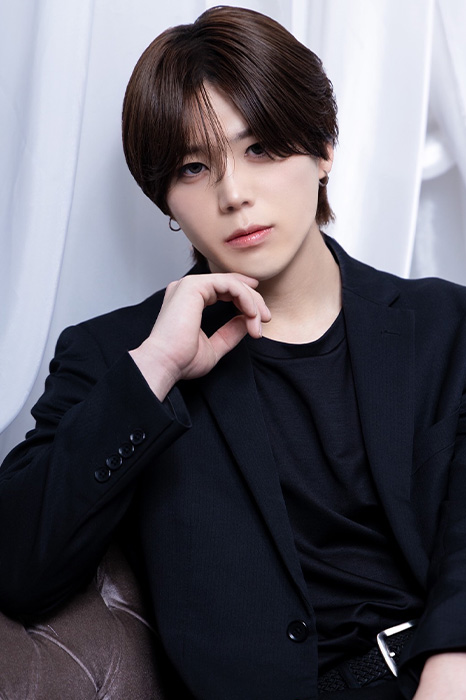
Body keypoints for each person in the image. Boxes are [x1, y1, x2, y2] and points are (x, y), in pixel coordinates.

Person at [1, 5, 466, 699]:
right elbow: (18, 569)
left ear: (323, 150)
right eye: (194, 167)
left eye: (261, 149)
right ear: (165, 199)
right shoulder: (115, 356)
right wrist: (157, 369)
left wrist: (454, 660)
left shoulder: (445, 324)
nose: (234, 194)